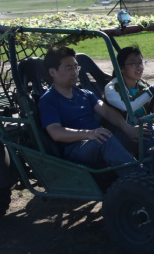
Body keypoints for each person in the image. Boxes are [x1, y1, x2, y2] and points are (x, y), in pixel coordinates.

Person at [39, 46, 142, 177]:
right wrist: (89, 134)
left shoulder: (85, 93)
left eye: (76, 67)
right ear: (52, 72)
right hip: (75, 148)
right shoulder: (48, 100)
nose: (74, 72)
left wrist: (127, 128)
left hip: (96, 140)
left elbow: (107, 112)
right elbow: (56, 133)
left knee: (142, 132)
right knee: (104, 139)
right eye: (68, 68)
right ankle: (142, 178)